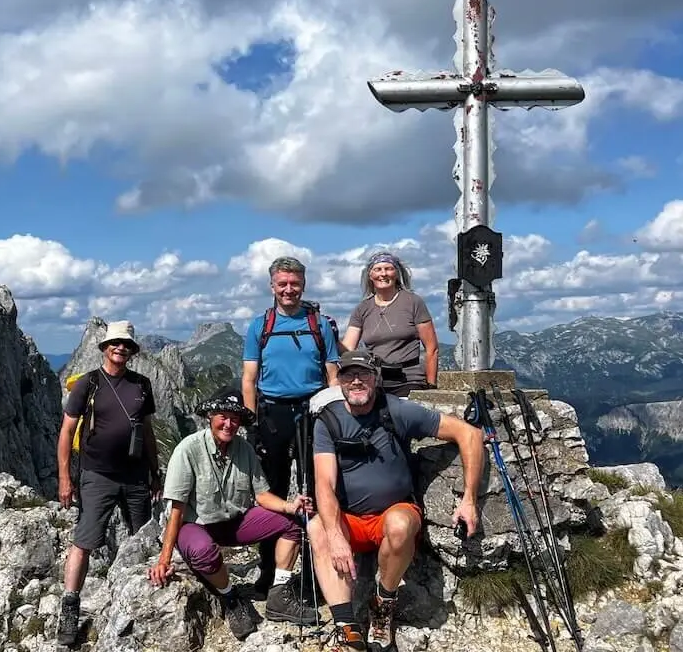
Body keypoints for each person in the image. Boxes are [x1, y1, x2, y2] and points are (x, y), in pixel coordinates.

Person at [309, 349, 485, 651]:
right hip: (350, 516)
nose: (356, 381)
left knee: (401, 524)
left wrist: (469, 499)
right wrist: (336, 535)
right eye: (349, 375)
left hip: (395, 510)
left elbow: (469, 434)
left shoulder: (397, 411)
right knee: (317, 529)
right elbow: (323, 483)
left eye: (363, 374)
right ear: (339, 382)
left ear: (376, 379)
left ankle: (383, 605)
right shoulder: (327, 422)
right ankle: (347, 628)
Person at [148, 389, 321, 639]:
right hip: (196, 525)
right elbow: (177, 509)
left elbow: (261, 495)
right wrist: (164, 559)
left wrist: (290, 506)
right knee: (203, 552)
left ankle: (279, 594)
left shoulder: (245, 449)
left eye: (235, 418)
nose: (228, 424)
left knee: (291, 524)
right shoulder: (188, 449)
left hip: (235, 522)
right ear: (210, 416)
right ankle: (231, 599)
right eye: (222, 416)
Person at [56, 320, 163, 647]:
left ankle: (148, 601)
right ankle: (70, 608)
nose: (120, 348)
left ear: (131, 351)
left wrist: (155, 473)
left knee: (144, 538)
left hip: (135, 476)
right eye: (115, 343)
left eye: (126, 344)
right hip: (96, 476)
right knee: (84, 541)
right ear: (104, 347)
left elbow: (146, 433)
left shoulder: (142, 384)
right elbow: (66, 433)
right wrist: (65, 478)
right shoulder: (87, 384)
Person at [241, 255, 341, 597]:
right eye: (282, 283)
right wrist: (251, 421)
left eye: (294, 283)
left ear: (303, 285)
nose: (288, 289)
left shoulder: (319, 324)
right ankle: (269, 573)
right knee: (272, 494)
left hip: (314, 411)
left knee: (318, 491)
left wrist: (335, 412)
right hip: (272, 415)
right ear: (272, 286)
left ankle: (317, 574)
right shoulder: (260, 326)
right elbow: (249, 378)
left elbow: (332, 373)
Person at [340, 251, 440, 396]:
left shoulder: (413, 302)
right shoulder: (362, 309)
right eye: (378, 269)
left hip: (408, 380)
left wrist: (431, 387)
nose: (383, 274)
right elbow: (348, 348)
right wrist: (328, 333)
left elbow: (432, 348)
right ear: (370, 275)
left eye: (388, 268)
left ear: (397, 273)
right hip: (375, 381)